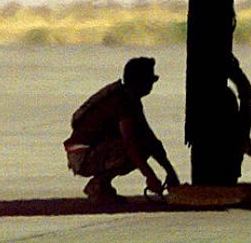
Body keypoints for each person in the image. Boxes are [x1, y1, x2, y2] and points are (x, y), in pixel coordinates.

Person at [64, 57, 180, 203]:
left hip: (90, 151)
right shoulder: (124, 102)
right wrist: (150, 176)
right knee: (139, 147)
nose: (152, 84)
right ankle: (99, 185)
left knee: (145, 143)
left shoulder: (130, 99)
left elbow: (151, 140)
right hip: (83, 156)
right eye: (149, 80)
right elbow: (130, 143)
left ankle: (102, 185)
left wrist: (170, 172)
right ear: (140, 82)